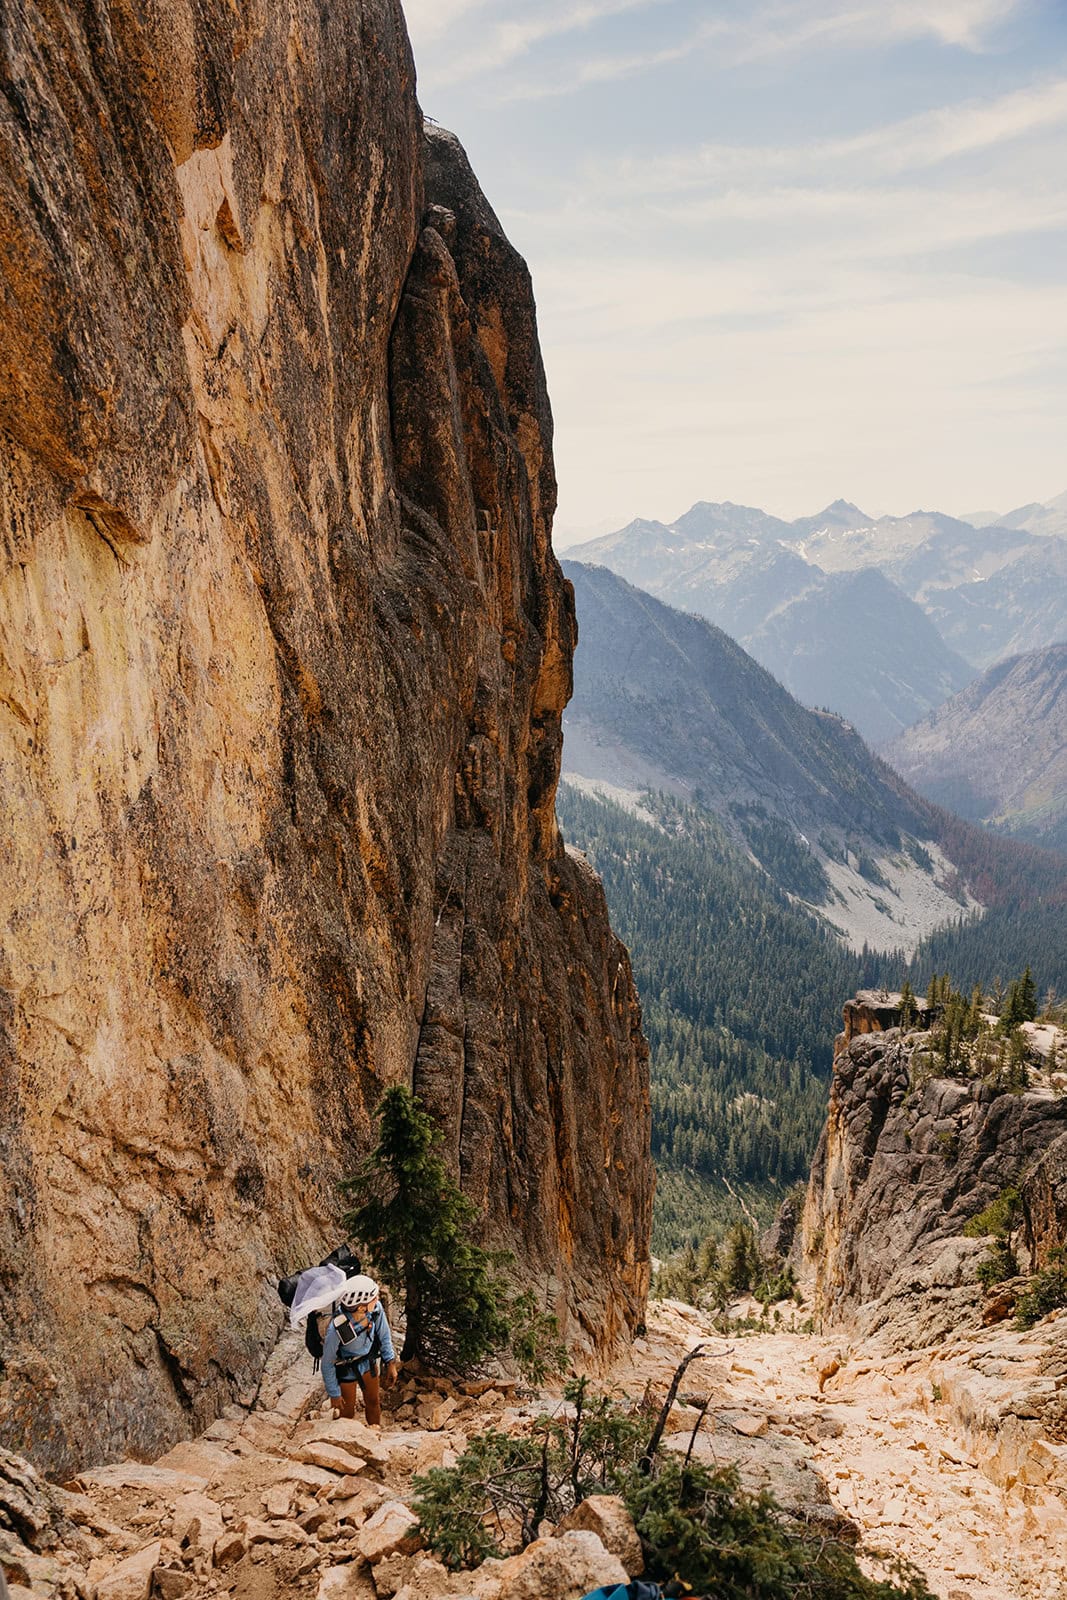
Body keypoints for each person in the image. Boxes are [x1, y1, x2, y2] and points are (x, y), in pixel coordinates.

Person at [321, 1274, 399, 1426]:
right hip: (345, 1368)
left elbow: (384, 1335)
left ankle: (375, 1435)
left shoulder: (375, 1310)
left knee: (373, 1402)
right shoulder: (336, 1329)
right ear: (361, 1306)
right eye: (373, 1298)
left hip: (368, 1361)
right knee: (347, 1413)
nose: (377, 1299)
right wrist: (334, 1394)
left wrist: (390, 1362)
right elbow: (327, 1363)